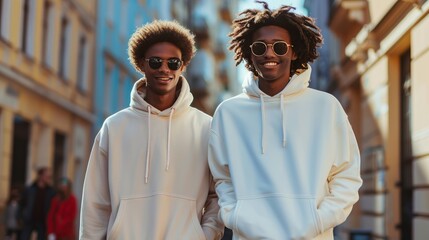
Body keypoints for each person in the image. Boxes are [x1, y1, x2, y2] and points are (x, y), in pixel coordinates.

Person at [208, 2, 363, 239]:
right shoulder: (228, 113)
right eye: (260, 47)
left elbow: (346, 175)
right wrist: (237, 216)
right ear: (250, 52)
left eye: (279, 47)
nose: (269, 53)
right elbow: (222, 179)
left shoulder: (325, 107)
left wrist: (316, 221)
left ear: (294, 51)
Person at [80, 20, 223, 239]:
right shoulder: (114, 127)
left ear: (183, 66)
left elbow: (217, 195)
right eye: (155, 62)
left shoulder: (206, 127)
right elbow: (95, 202)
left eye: (173, 63)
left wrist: (205, 234)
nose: (164, 69)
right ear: (141, 64)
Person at [20, 167, 55, 240]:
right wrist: (22, 216)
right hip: (29, 219)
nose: (48, 178)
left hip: (42, 221)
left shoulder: (51, 192)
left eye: (49, 177)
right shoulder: (30, 189)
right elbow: (22, 203)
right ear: (40, 176)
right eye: (46, 176)